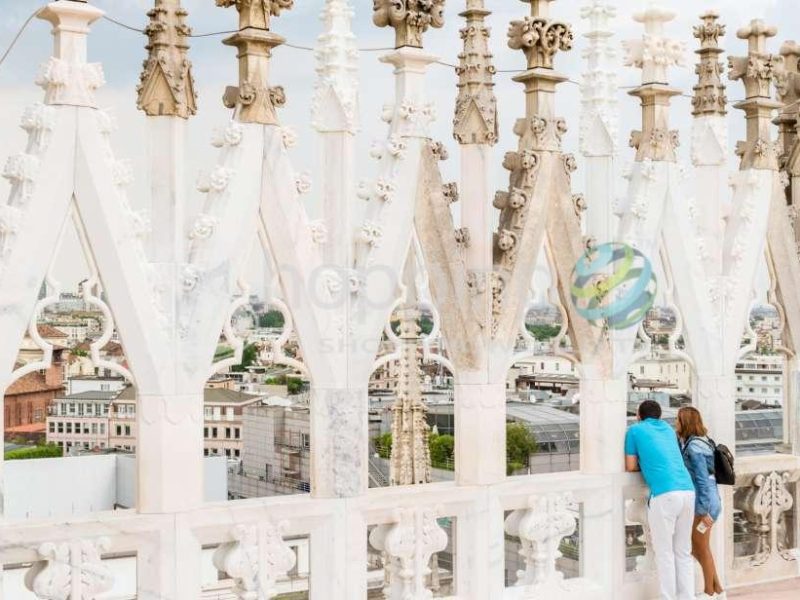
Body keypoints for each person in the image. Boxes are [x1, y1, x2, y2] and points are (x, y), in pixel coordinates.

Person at [625, 400, 696, 600]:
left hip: (665, 494)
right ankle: (687, 597)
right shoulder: (668, 429)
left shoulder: (635, 431)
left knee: (664, 553)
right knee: (683, 552)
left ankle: (667, 597)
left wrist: (645, 464)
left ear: (639, 415)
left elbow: (630, 466)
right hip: (688, 491)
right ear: (659, 415)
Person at [676, 406, 725, 600]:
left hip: (705, 504)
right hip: (710, 501)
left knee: (700, 547)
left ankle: (709, 592)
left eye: (678, 420)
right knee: (700, 546)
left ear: (685, 422)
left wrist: (703, 511)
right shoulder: (703, 442)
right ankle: (718, 589)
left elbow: (703, 480)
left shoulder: (695, 447)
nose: (676, 423)